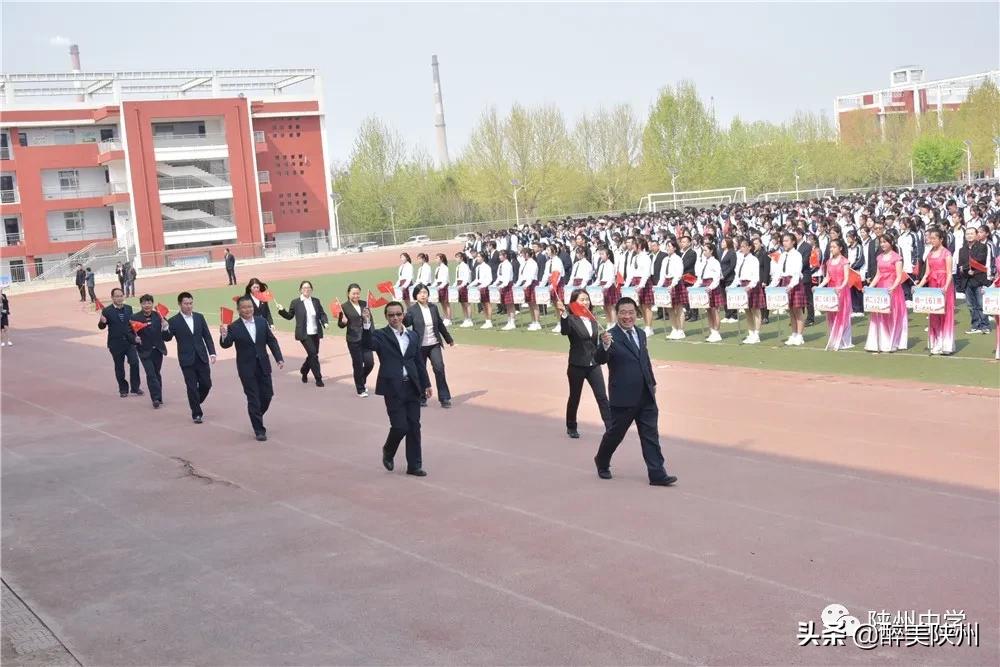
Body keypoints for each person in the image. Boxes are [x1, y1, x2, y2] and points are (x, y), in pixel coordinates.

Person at [593, 298, 677, 487]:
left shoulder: (640, 333)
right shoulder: (609, 336)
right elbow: (599, 359)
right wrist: (604, 346)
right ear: (617, 314)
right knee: (615, 434)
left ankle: (657, 473)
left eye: (631, 312)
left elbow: (644, 360)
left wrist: (652, 382)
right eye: (623, 312)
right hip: (623, 397)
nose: (627, 316)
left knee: (650, 436)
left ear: (636, 313)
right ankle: (602, 460)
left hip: (646, 394)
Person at [362, 301, 432, 476]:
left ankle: (414, 466)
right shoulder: (380, 335)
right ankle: (389, 449)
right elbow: (368, 344)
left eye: (398, 314)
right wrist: (366, 323)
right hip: (393, 387)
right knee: (400, 426)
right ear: (386, 317)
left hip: (412, 386)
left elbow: (418, 362)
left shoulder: (413, 336)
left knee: (414, 427)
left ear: (403, 315)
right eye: (391, 315)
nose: (395, 318)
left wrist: (426, 384)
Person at [220, 295, 284, 441]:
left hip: (263, 365)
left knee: (267, 395)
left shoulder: (261, 322)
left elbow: (271, 341)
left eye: (249, 307)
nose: (248, 310)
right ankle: (259, 430)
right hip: (246, 368)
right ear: (238, 309)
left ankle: (256, 415)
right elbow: (226, 344)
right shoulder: (234, 326)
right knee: (253, 398)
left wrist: (279, 358)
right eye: (244, 307)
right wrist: (223, 335)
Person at [558, 289, 611, 439]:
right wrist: (563, 315)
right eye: (582, 299)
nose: (585, 302)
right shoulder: (570, 319)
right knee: (575, 397)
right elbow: (564, 331)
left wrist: (605, 342)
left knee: (602, 397)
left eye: (587, 299)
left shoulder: (593, 319)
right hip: (577, 365)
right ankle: (571, 426)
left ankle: (610, 427)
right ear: (574, 302)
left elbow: (595, 343)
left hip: (593, 364)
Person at [164, 292, 216, 423]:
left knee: (207, 384)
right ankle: (196, 413)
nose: (189, 306)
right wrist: (164, 328)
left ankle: (195, 401)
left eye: (190, 303)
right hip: (186, 359)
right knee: (191, 387)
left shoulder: (199, 317)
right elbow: (167, 337)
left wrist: (212, 352)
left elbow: (207, 336)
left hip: (201, 357)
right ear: (180, 304)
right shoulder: (174, 321)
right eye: (186, 304)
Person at [404, 284, 454, 408]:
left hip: (434, 344)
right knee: (420, 371)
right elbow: (407, 323)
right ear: (415, 295)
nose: (423, 295)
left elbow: (440, 325)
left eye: (425, 292)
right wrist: (403, 316)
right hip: (420, 346)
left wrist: (448, 339)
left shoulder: (433, 307)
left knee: (439, 368)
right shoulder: (412, 310)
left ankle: (444, 398)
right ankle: (421, 397)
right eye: (420, 293)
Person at [276, 280, 329, 387]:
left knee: (313, 354)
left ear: (311, 289)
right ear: (300, 290)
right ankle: (318, 378)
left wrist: (325, 322)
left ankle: (304, 370)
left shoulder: (316, 301)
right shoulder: (296, 302)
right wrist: (282, 310)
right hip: (304, 333)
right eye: (304, 288)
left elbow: (322, 314)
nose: (306, 289)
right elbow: (289, 316)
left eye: (308, 287)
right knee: (313, 354)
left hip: (315, 332)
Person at [864, 235, 908, 353]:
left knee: (893, 314)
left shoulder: (897, 258)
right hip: (881, 289)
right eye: (881, 242)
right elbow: (878, 275)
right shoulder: (879, 257)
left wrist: (892, 288)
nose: (882, 244)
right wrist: (870, 287)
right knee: (880, 314)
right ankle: (881, 341)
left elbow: (899, 276)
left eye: (885, 242)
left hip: (893, 290)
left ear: (891, 243)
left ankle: (893, 341)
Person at [916, 228, 955, 356]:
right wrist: (919, 286)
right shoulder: (930, 254)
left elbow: (949, 273)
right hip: (933, 286)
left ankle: (945, 344)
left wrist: (945, 287)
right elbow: (926, 273)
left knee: (945, 314)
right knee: (934, 314)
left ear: (941, 239)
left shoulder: (947, 253)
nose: (931, 241)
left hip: (944, 286)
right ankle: (935, 341)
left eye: (934, 238)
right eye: (930, 238)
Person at [98, 287, 143, 397]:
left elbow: (131, 324)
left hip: (129, 342)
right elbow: (101, 326)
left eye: (121, 296)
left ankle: (135, 387)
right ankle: (123, 389)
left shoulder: (129, 308)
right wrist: (102, 322)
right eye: (116, 296)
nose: (119, 298)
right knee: (119, 367)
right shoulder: (107, 311)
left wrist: (135, 337)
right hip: (115, 344)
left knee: (134, 363)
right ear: (112, 298)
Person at [131, 294, 169, 408]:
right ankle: (155, 398)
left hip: (158, 350)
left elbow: (167, 335)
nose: (147, 305)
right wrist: (134, 339)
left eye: (149, 303)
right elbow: (129, 333)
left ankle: (159, 397)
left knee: (156, 373)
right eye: (144, 303)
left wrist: (165, 327)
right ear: (141, 304)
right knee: (151, 374)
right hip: (144, 351)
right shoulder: (134, 317)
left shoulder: (159, 315)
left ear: (152, 304)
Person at [337, 283, 375, 397]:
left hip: (366, 338)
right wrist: (343, 322)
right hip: (353, 339)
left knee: (370, 363)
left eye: (358, 293)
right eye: (353, 293)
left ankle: (361, 380)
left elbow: (370, 320)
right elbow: (340, 324)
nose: (356, 296)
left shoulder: (364, 304)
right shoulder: (344, 307)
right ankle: (360, 389)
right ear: (348, 294)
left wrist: (368, 319)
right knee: (358, 364)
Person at [817, 239, 853, 351]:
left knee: (842, 315)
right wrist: (819, 287)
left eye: (834, 247)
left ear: (840, 248)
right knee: (831, 314)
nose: (831, 249)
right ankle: (833, 337)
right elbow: (827, 278)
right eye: (830, 247)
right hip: (831, 290)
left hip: (842, 290)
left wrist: (840, 288)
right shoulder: (828, 262)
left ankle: (843, 340)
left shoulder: (845, 261)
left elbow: (846, 278)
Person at [771, 233, 806, 346]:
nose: (784, 243)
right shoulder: (782, 255)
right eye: (783, 241)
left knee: (797, 310)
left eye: (787, 241)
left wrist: (791, 285)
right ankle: (794, 334)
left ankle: (800, 336)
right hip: (784, 282)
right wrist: (772, 286)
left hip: (794, 283)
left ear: (793, 242)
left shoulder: (797, 255)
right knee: (790, 311)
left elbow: (796, 273)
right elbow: (778, 273)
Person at [956, 227, 991, 335]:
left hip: (979, 278)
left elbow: (979, 260)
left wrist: (965, 268)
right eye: (967, 234)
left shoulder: (982, 247)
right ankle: (975, 324)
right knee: (971, 305)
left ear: (976, 235)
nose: (969, 236)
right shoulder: (962, 250)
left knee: (980, 304)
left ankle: (985, 325)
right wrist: (966, 269)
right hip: (967, 280)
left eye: (972, 233)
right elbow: (960, 264)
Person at [735, 238, 764, 344]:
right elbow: (737, 274)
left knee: (755, 310)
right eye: (741, 246)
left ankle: (756, 334)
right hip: (743, 285)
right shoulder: (740, 259)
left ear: (749, 247)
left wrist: (750, 286)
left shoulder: (754, 260)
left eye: (744, 246)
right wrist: (734, 285)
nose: (741, 248)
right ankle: (751, 333)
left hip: (752, 286)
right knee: (747, 310)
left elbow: (756, 276)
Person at [697, 240, 724, 343]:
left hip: (712, 286)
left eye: (706, 250)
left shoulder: (715, 262)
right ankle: (712, 331)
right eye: (703, 250)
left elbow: (717, 278)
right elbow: (700, 277)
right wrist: (696, 286)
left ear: (711, 251)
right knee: (708, 310)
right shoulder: (703, 262)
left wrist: (711, 287)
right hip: (704, 285)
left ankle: (717, 332)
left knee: (714, 310)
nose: (704, 252)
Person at [431, 254, 452, 325]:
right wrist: (432, 286)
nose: (436, 260)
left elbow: (445, 280)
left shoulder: (445, 268)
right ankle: (445, 318)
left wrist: (440, 287)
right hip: (438, 286)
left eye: (437, 258)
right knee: (442, 303)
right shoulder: (437, 268)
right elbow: (436, 280)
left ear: (441, 259)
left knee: (446, 303)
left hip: (444, 286)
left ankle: (449, 319)